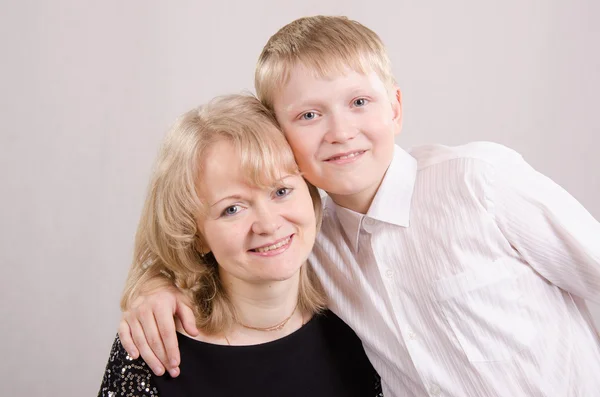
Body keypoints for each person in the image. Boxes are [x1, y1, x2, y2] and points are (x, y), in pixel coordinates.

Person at [118, 16, 600, 397]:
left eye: (359, 102)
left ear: (395, 108)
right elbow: (209, 244)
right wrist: (153, 287)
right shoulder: (308, 240)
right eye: (308, 115)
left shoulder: (480, 183)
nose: (340, 131)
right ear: (280, 139)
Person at [98, 94, 383, 397]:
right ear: (195, 236)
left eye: (281, 191)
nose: (268, 224)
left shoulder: (361, 325)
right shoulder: (155, 348)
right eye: (232, 209)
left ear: (312, 198)